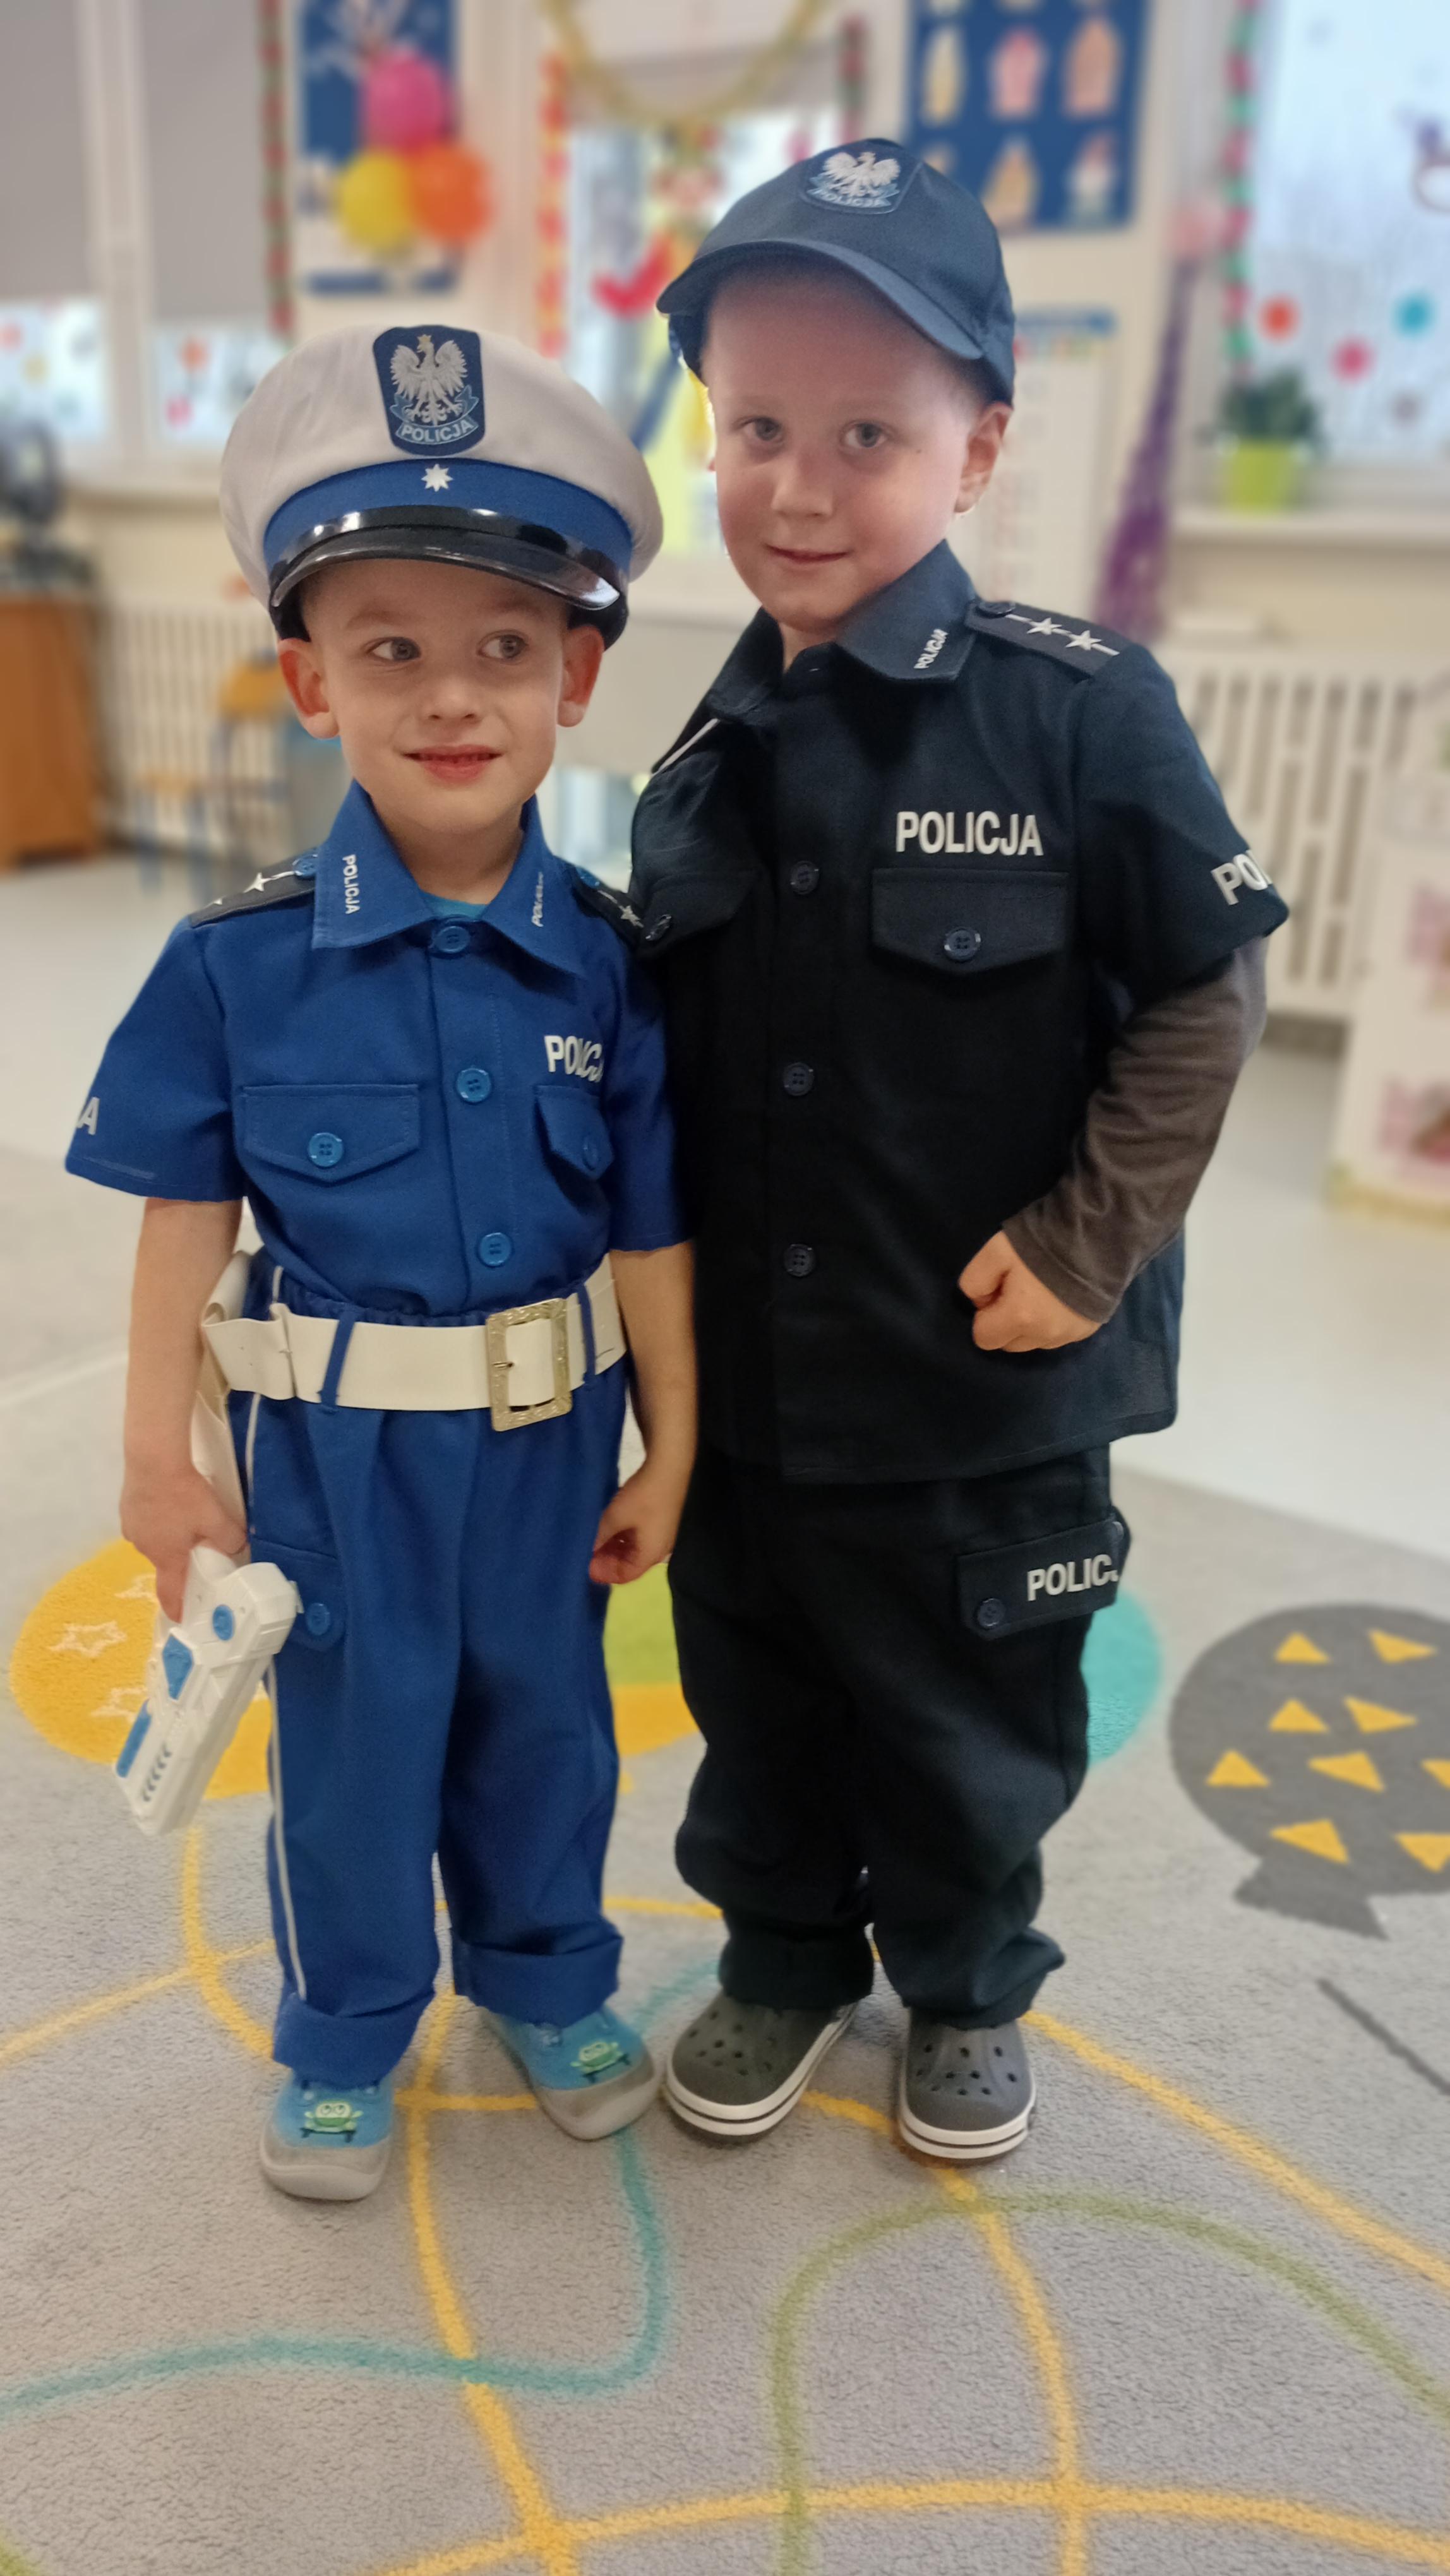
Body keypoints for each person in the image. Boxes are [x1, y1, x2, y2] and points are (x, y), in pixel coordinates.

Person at [621, 142, 1288, 2159]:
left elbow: (1208, 993)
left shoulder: (1082, 715)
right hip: (754, 1395)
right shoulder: (699, 756)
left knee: (972, 1722)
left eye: (867, 435)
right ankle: (784, 1959)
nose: (799, 486)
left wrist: (1091, 1240)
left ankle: (970, 1983)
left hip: (982, 1395)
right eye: (755, 429)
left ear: (977, 449)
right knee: (760, 1699)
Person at [66, 325, 696, 2200]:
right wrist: (156, 1458)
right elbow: (185, 1223)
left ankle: (543, 1977)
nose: (451, 696)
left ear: (577, 676)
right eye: (390, 650)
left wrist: (680, 1442)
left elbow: (652, 1224)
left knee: (545, 1728)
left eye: (504, 645)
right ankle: (345, 2032)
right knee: (354, 1748)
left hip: (552, 1442)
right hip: (335, 1467)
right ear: (309, 682)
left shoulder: (612, 959)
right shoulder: (234, 966)